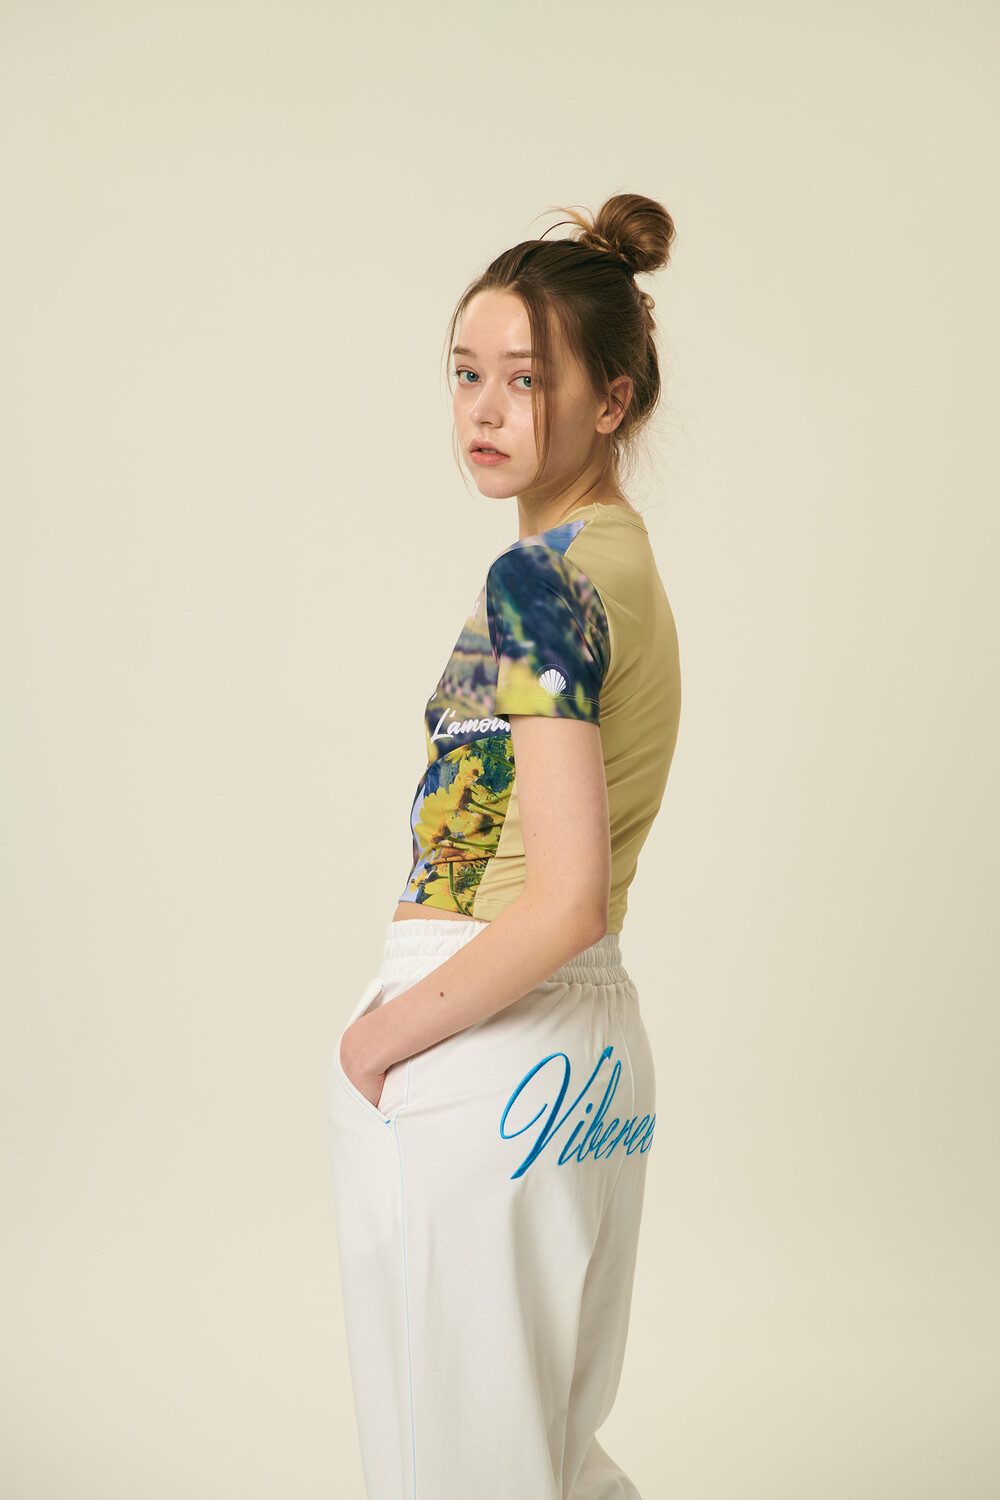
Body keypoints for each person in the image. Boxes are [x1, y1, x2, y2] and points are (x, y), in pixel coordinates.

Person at [323, 191, 682, 1500]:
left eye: (525, 380)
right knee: (550, 1465)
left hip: (486, 1042)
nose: (482, 409)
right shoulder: (626, 566)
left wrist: (375, 1044)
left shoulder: (537, 581)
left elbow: (563, 896)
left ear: (611, 400)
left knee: (459, 1472)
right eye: (465, 372)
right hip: (590, 1053)